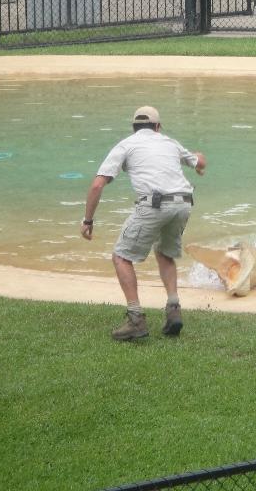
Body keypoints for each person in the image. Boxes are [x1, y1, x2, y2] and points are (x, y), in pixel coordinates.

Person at [81, 105, 206, 341]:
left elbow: (98, 184)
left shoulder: (126, 144)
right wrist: (199, 160)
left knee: (121, 257)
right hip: (183, 203)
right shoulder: (169, 142)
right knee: (164, 253)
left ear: (134, 127)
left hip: (155, 204)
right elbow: (199, 162)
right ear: (157, 127)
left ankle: (135, 319)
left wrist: (88, 220)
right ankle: (173, 308)